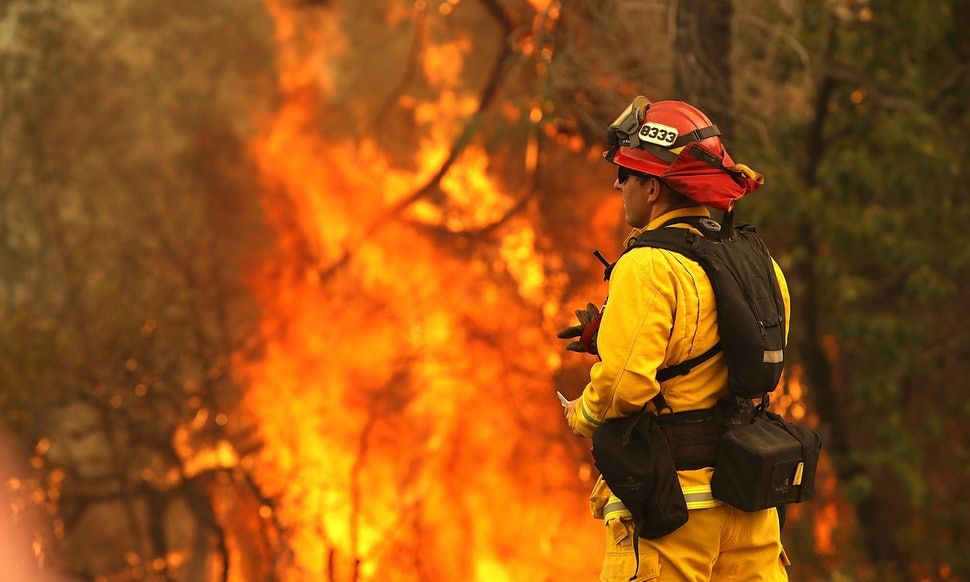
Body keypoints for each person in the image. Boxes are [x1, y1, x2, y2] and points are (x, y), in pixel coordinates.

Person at [559, 98, 792, 581]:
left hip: (676, 514)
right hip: (751, 507)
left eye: (626, 174)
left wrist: (581, 414)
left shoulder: (647, 265)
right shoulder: (760, 263)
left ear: (652, 188)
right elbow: (737, 355)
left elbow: (625, 387)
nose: (617, 184)